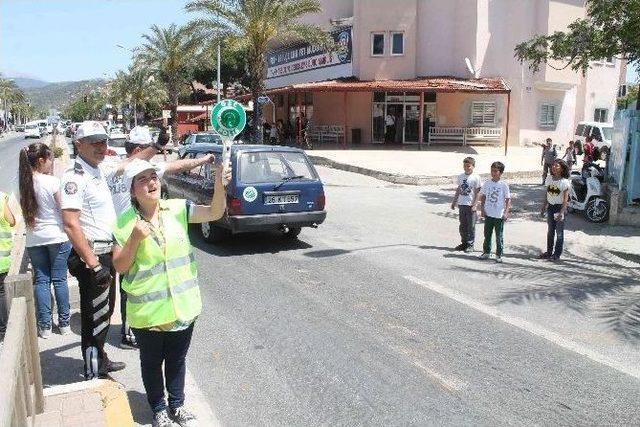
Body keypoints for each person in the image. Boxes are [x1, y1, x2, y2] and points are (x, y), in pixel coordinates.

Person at [112, 158, 231, 427]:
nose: (151, 182)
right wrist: (133, 239)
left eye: (153, 176)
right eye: (142, 179)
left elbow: (214, 212)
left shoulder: (177, 208)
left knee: (177, 360)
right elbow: (120, 266)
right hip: (148, 312)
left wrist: (219, 186)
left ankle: (177, 405)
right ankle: (158, 408)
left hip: (182, 307)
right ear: (132, 190)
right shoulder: (124, 223)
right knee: (152, 363)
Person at [107, 125, 217, 348]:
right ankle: (130, 331)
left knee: (141, 283)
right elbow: (134, 164)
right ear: (138, 148)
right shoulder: (115, 168)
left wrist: (203, 160)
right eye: (146, 146)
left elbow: (176, 165)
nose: (151, 180)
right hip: (127, 228)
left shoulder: (149, 170)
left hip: (148, 224)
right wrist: (157, 146)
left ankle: (137, 327)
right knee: (130, 285)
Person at [60, 121, 126, 380]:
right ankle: (93, 370)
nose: (102, 147)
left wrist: (156, 147)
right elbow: (70, 223)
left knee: (105, 312)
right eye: (95, 142)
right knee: (95, 315)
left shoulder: (96, 169)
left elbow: (128, 164)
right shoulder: (74, 177)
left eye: (104, 141)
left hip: (106, 254)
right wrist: (94, 265)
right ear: (79, 144)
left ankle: (101, 359)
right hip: (93, 258)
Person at [19, 143, 71, 338]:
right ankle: (64, 324)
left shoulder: (22, 183)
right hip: (57, 236)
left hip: (34, 239)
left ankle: (45, 326)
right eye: (50, 159)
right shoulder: (52, 182)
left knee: (41, 280)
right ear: (41, 160)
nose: (51, 163)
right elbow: (63, 209)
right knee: (59, 279)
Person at [479, 161, 511, 263]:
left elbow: (508, 199)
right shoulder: (487, 183)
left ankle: (499, 254)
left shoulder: (503, 185)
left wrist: (506, 212)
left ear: (500, 172)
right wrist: (482, 209)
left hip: (499, 215)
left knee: (499, 236)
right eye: (492, 170)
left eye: (495, 171)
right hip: (489, 213)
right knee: (487, 234)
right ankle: (486, 252)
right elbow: (483, 196)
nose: (493, 173)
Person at [539, 159, 570, 261]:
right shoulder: (549, 179)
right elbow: (547, 195)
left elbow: (565, 200)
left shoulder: (565, 182)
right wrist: (544, 207)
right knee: (550, 231)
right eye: (553, 165)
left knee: (559, 233)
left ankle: (557, 254)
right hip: (551, 208)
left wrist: (561, 212)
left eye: (557, 166)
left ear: (562, 169)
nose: (554, 167)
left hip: (559, 209)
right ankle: (549, 252)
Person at [451, 157, 482, 253]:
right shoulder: (460, 176)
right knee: (463, 225)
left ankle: (470, 244)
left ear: (473, 166)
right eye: (465, 166)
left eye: (468, 166)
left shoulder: (476, 177)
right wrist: (454, 201)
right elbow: (459, 189)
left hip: (470, 205)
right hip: (462, 204)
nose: (466, 168)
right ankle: (464, 243)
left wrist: (475, 204)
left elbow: (478, 192)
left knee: (471, 226)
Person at [0, 189, 16, 341]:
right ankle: (3, 331)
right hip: (1, 258)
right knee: (1, 293)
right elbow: (11, 221)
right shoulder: (1, 197)